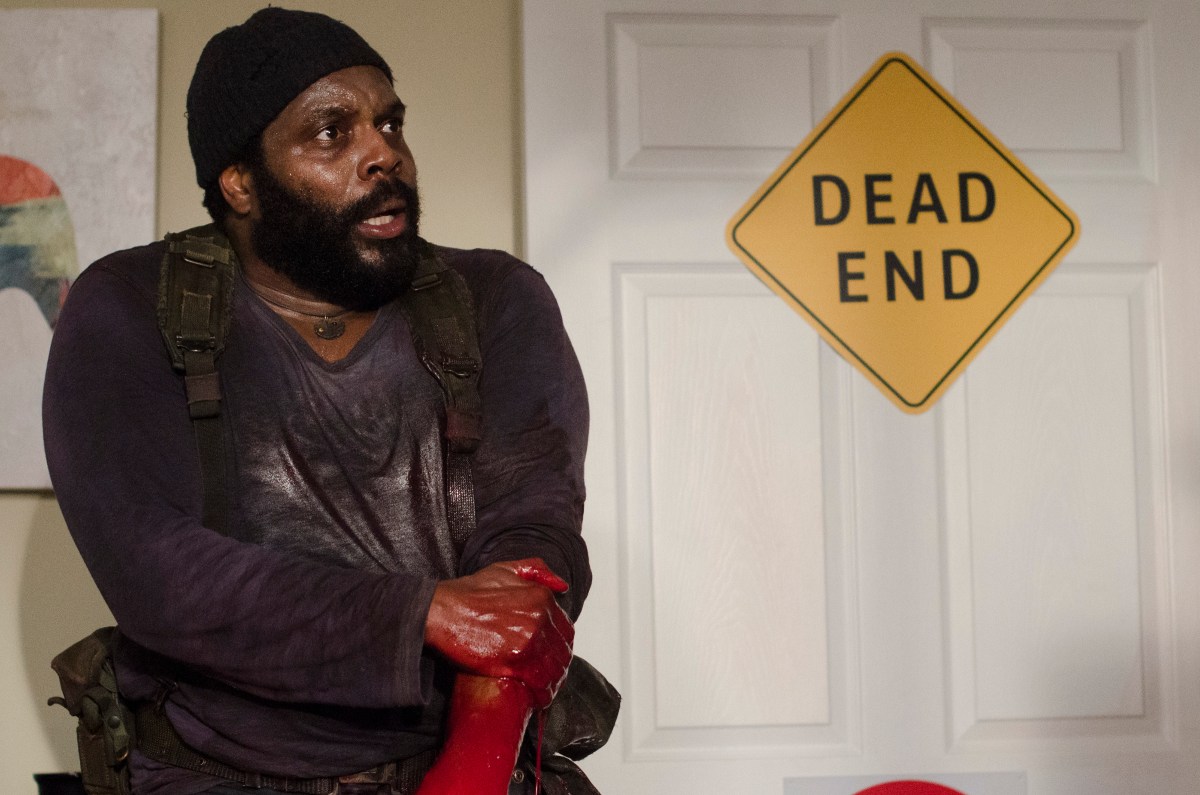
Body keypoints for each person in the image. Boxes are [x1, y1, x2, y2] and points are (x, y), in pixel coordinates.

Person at [42, 8, 590, 795]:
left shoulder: (496, 297)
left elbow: (531, 547)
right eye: (332, 132)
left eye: (389, 123)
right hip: (215, 772)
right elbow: (155, 571)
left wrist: (472, 761)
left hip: (469, 755)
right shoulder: (130, 304)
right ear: (240, 183)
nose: (385, 154)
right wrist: (424, 613)